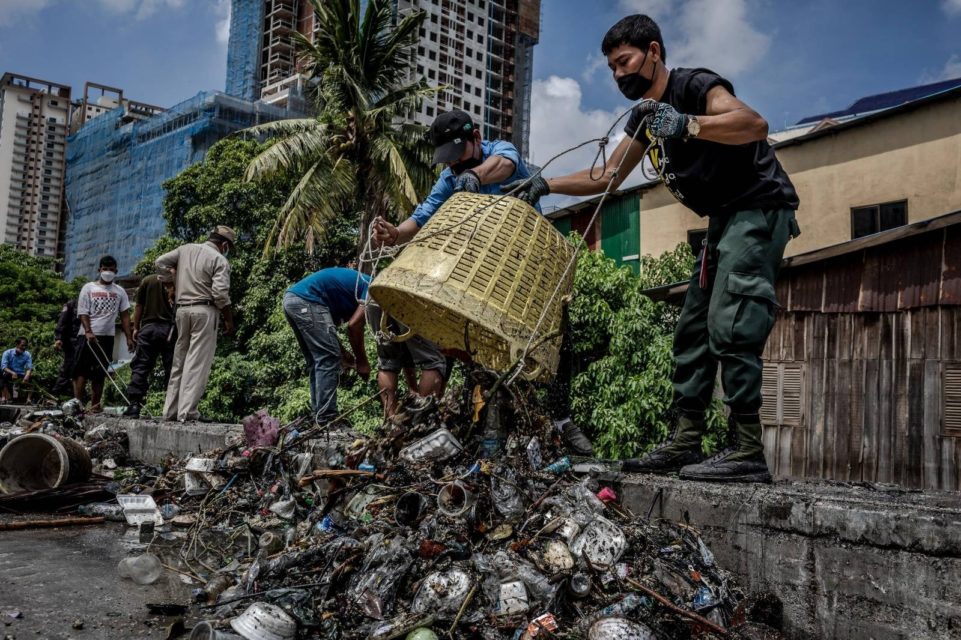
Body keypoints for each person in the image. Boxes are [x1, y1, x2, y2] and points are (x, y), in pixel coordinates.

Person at [507, 14, 801, 482]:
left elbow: (754, 123)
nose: (619, 75)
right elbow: (605, 177)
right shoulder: (647, 121)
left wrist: (687, 124)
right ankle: (685, 441)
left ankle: (747, 450)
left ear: (654, 52)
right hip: (722, 219)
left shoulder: (694, 87)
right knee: (691, 332)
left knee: (732, 322)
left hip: (759, 207)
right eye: (611, 68)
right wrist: (544, 183)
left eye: (624, 62)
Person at [373, 109, 594, 455]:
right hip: (487, 281)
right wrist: (395, 234)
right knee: (477, 355)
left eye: (458, 156)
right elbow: (421, 216)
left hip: (529, 269)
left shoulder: (501, 152)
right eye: (448, 160)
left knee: (558, 346)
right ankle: (483, 426)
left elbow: (506, 165)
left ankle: (562, 421)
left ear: (476, 138)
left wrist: (476, 176)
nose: (454, 166)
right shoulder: (449, 179)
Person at [156, 226, 235, 422]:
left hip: (182, 310)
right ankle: (188, 412)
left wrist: (171, 283)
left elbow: (160, 262)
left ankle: (170, 412)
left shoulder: (185, 249)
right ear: (224, 245)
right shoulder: (219, 260)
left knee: (179, 361)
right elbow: (220, 295)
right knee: (197, 362)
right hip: (204, 310)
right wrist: (228, 318)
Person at [283, 267, 371, 424]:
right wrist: (362, 362)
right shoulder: (373, 288)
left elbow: (328, 335)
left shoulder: (347, 296)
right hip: (308, 299)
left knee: (316, 360)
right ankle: (327, 417)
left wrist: (344, 354)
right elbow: (354, 326)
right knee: (327, 359)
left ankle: (318, 415)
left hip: (293, 299)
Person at [73, 255, 135, 412]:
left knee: (100, 372)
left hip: (107, 336)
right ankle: (77, 404)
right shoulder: (89, 288)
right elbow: (82, 312)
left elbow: (125, 316)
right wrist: (88, 331)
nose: (108, 272)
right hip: (87, 336)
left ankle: (95, 405)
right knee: (81, 372)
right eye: (105, 269)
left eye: (111, 270)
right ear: (99, 270)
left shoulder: (120, 291)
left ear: (116, 271)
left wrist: (129, 337)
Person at [122, 273, 177, 418]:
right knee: (171, 369)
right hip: (169, 330)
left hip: (148, 328)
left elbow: (139, 306)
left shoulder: (147, 280)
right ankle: (172, 407)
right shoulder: (176, 279)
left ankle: (134, 404)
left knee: (141, 366)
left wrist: (136, 328)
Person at [52, 299, 81, 396]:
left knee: (79, 371)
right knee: (68, 367)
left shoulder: (91, 304)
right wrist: (58, 338)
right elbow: (62, 321)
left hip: (82, 340)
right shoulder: (71, 304)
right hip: (71, 340)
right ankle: (55, 394)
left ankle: (76, 397)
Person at [1, 337, 33, 403]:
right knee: (3, 375)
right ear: (17, 345)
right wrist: (12, 373)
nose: (24, 347)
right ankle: (3, 397)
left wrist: (27, 376)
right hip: (9, 373)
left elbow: (29, 368)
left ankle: (28, 399)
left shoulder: (27, 354)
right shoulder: (7, 353)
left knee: (31, 378)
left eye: (25, 346)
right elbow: (3, 367)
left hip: (21, 374)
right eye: (22, 345)